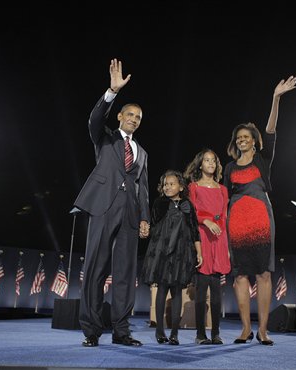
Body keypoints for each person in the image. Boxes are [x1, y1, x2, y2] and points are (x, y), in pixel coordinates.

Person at [74, 59, 150, 347]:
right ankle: (91, 331)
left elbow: (142, 188)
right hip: (103, 208)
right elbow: (94, 120)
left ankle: (121, 331)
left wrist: (144, 218)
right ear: (119, 116)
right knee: (95, 269)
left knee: (125, 275)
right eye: (130, 114)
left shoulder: (142, 153)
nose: (134, 119)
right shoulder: (103, 138)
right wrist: (111, 91)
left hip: (130, 215)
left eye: (138, 117)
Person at [223, 76, 296, 346]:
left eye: (247, 137)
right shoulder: (229, 168)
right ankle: (245, 330)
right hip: (237, 223)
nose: (242, 140)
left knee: (264, 274)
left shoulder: (264, 159)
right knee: (240, 274)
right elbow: (224, 199)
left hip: (261, 219)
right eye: (239, 137)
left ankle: (263, 331)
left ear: (254, 141)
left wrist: (275, 98)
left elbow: (271, 129)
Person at [141, 170, 203, 345]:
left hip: (181, 253)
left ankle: (175, 333)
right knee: (162, 289)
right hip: (161, 252)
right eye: (165, 184)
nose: (167, 187)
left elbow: (194, 231)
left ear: (181, 187)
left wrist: (199, 252)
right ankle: (160, 331)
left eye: (172, 184)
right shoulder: (159, 203)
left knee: (177, 292)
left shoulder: (188, 205)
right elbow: (153, 226)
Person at [184, 149, 231, 344]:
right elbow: (191, 214)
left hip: (219, 240)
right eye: (206, 160)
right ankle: (200, 335)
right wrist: (206, 221)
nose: (211, 163)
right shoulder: (193, 187)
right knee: (202, 289)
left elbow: (225, 217)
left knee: (217, 292)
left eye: (214, 160)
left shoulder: (223, 189)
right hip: (202, 237)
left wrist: (226, 246)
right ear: (200, 165)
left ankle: (216, 333)